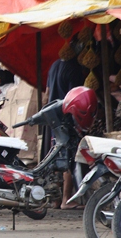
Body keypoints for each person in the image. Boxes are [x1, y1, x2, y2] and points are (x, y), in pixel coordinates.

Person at [45, 36, 86, 210]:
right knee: (68, 158)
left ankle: (54, 200)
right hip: (67, 118)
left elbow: (46, 93)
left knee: (55, 157)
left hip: (52, 116)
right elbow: (75, 98)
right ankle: (66, 200)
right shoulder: (74, 69)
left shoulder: (54, 65)